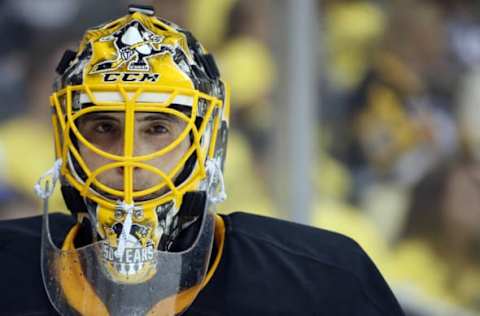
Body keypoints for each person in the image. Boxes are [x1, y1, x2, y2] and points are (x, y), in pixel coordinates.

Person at [0, 5, 404, 316]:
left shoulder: (322, 280)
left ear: (209, 142)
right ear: (66, 141)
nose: (130, 157)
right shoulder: (8, 268)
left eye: (158, 128)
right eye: (103, 127)